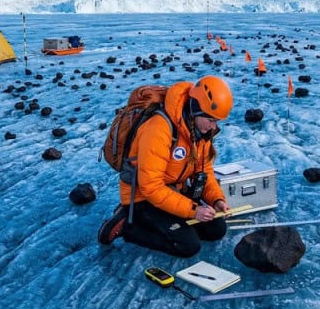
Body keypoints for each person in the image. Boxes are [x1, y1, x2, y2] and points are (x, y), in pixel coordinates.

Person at [98, 75, 233, 257]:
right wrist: (193, 210)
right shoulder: (159, 129)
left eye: (217, 121)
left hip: (173, 190)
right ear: (196, 110)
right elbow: (151, 187)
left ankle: (172, 225)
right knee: (188, 246)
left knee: (217, 229)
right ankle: (128, 226)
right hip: (143, 196)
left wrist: (217, 200)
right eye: (211, 120)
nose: (213, 126)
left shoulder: (199, 131)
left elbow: (204, 170)